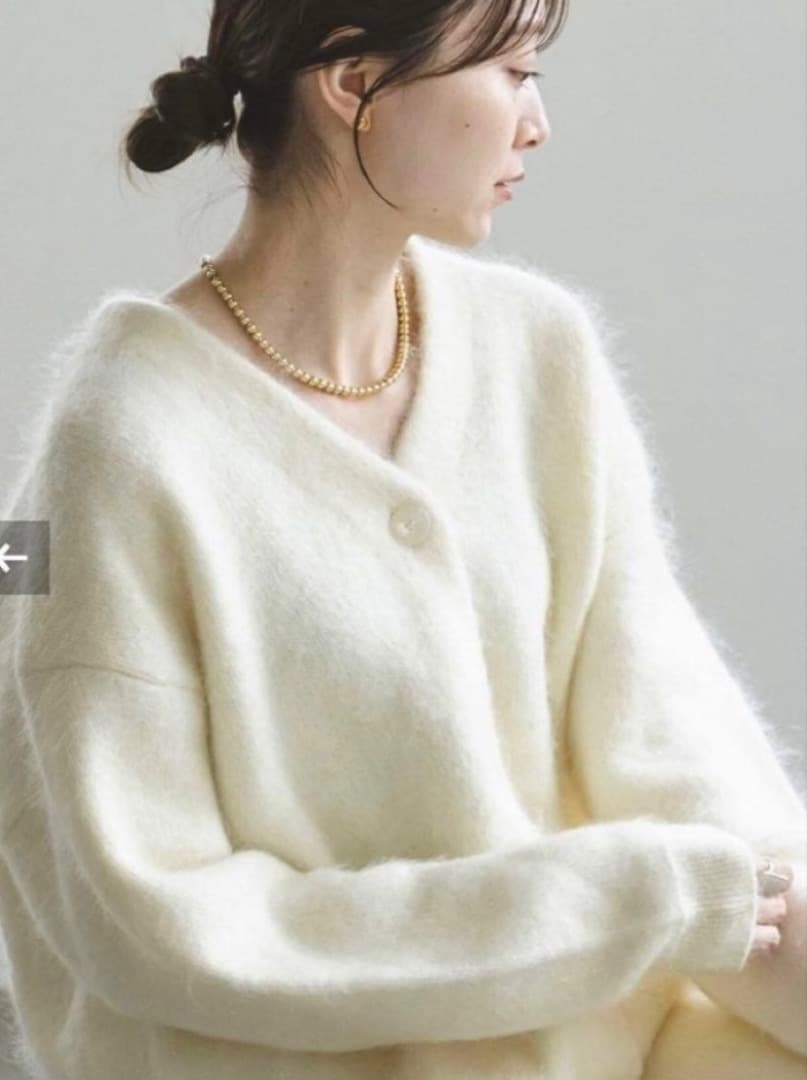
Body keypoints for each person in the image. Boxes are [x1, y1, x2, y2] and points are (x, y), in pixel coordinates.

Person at [0, 2, 805, 1078]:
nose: (538, 123)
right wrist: (637, 905)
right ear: (351, 84)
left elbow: (677, 743)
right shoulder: (119, 441)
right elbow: (153, 921)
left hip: (610, 1050)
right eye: (511, 71)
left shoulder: (537, 351)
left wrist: (748, 907)